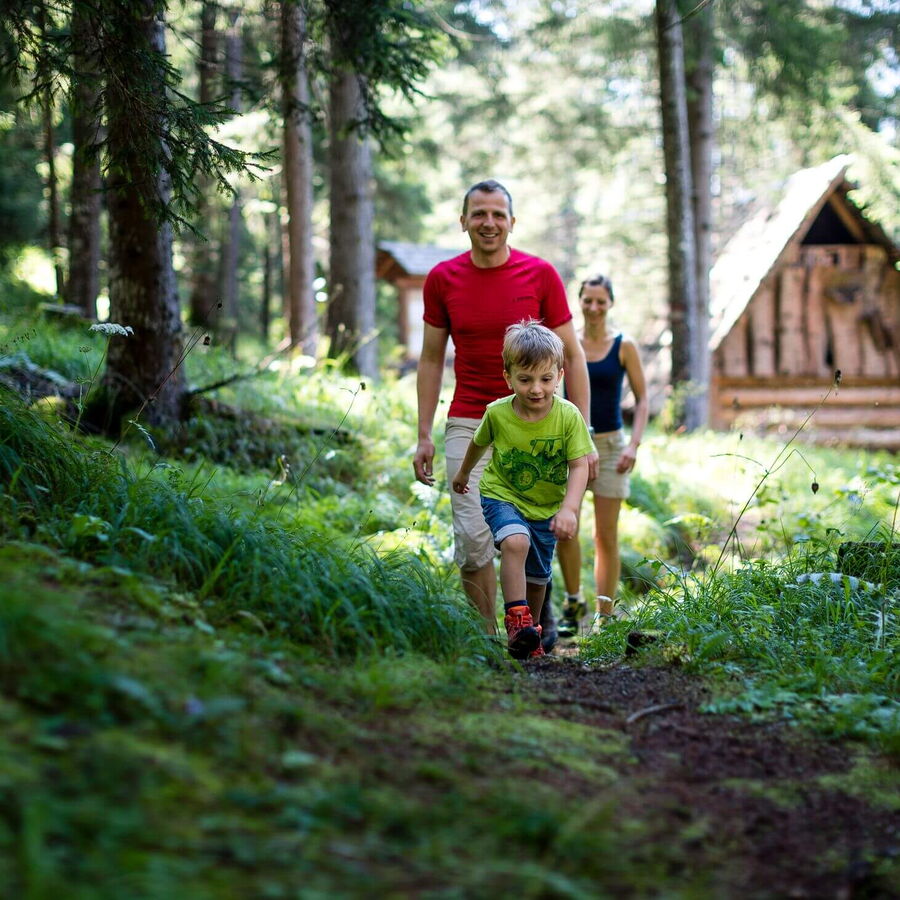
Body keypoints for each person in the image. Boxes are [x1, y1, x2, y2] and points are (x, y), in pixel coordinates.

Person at [413, 179, 596, 638]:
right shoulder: (442, 279)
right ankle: (489, 643)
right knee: (474, 537)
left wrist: (585, 435)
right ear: (463, 221)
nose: (489, 222)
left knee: (534, 526)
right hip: (470, 419)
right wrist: (424, 434)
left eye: (498, 214)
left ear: (512, 222)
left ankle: (531, 623)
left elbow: (572, 357)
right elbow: (431, 358)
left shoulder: (540, 274)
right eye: (479, 213)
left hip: (541, 423)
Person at [451, 320, 593, 658]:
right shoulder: (498, 414)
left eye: (546, 379)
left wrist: (569, 508)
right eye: (525, 379)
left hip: (546, 505)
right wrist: (464, 473)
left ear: (560, 376)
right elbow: (477, 442)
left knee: (538, 577)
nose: (536, 389)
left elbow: (579, 465)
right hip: (502, 495)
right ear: (508, 377)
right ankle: (516, 622)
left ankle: (529, 637)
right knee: (516, 541)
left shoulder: (568, 416)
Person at [555, 274, 649, 635]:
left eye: (600, 301)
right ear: (579, 301)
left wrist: (633, 445)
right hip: (571, 446)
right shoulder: (567, 344)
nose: (593, 308)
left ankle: (604, 616)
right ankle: (573, 603)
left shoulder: (624, 346)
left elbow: (643, 400)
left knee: (604, 536)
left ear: (611, 304)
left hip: (611, 448)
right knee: (566, 529)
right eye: (587, 300)